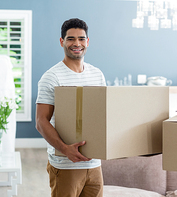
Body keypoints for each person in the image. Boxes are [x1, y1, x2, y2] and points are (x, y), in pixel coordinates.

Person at [36, 18, 106, 197]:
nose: (77, 43)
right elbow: (41, 121)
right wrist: (65, 149)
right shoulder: (52, 77)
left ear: (87, 42)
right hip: (65, 165)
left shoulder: (97, 75)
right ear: (62, 42)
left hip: (94, 164)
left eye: (81, 39)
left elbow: (102, 115)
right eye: (71, 39)